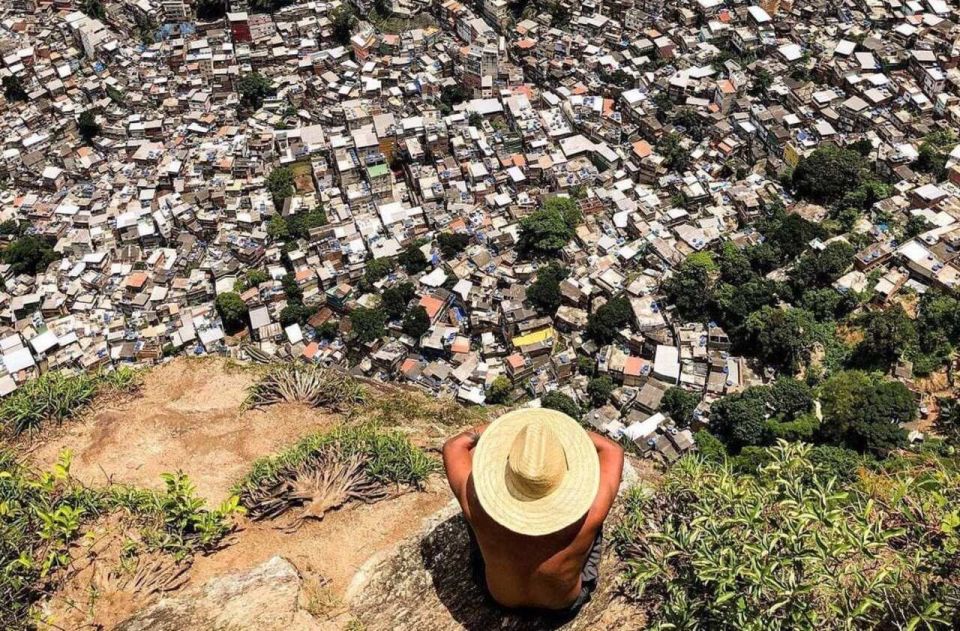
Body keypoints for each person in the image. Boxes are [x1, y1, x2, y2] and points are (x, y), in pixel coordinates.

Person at [442, 408, 624, 615]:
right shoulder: (594, 508)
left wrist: (509, 427)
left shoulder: (474, 503)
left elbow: (454, 445)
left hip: (500, 598)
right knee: (592, 527)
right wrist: (561, 431)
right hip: (563, 604)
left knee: (474, 513)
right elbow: (613, 450)